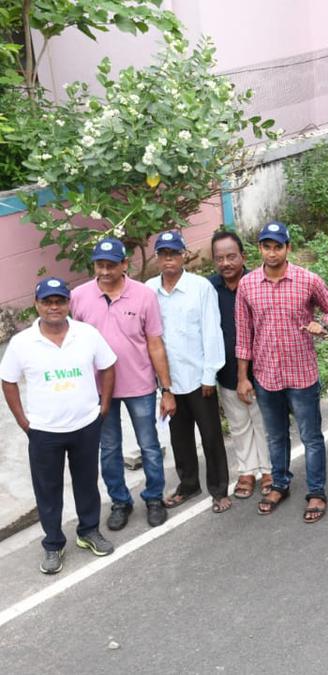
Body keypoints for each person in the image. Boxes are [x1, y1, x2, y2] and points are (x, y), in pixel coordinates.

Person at [2, 278, 116, 574]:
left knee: (87, 483)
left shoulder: (86, 334)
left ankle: (89, 531)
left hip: (85, 426)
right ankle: (53, 544)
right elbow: (8, 380)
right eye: (47, 301)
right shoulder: (22, 343)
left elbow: (108, 365)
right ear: (37, 305)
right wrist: (22, 420)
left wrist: (104, 406)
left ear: (68, 303)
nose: (54, 307)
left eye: (60, 301)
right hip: (44, 433)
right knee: (48, 491)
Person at [235, 221, 328, 524]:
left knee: (311, 436)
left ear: (288, 248)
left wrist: (325, 325)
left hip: (301, 374)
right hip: (266, 375)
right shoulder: (247, 285)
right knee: (276, 436)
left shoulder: (307, 280)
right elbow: (244, 334)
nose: (272, 253)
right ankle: (280, 484)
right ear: (259, 249)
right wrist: (243, 377)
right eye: (266, 246)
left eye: (278, 246)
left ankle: (316, 491)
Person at [70, 237, 175, 530]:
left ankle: (154, 498)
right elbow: (74, 345)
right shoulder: (79, 297)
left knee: (149, 446)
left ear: (124, 265)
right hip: (99, 389)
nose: (104, 271)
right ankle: (120, 501)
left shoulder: (143, 295)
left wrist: (166, 389)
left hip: (139, 384)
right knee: (109, 448)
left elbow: (155, 343)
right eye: (99, 265)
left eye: (111, 265)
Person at [146, 231, 230, 515]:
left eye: (174, 253)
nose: (169, 259)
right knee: (179, 436)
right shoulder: (149, 290)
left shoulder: (200, 287)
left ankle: (219, 489)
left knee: (210, 436)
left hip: (198, 377)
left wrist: (210, 374)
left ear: (184, 256)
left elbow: (211, 330)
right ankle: (189, 484)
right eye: (163, 254)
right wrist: (160, 385)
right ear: (157, 258)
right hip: (168, 380)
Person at [209, 231, 272, 500]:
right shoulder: (209, 289)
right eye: (219, 258)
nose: (226, 263)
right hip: (226, 371)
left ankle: (270, 471)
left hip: (260, 369)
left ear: (243, 257)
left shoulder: (259, 283)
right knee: (238, 424)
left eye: (231, 256)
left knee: (263, 422)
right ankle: (247, 471)